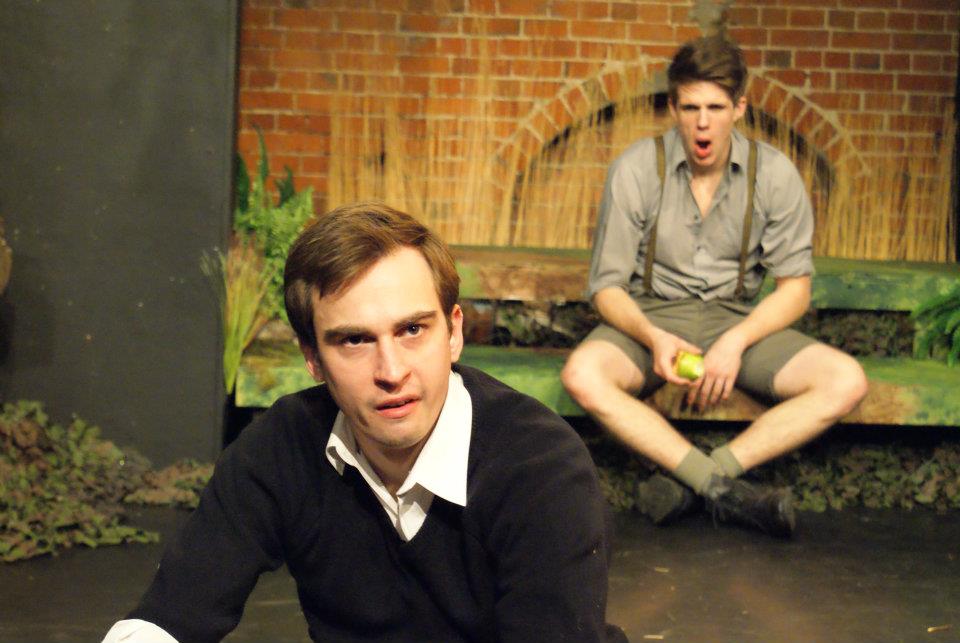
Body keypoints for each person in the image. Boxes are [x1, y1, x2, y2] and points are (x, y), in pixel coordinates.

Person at [103, 202, 625, 642]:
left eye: (413, 330)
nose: (391, 372)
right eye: (354, 340)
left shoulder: (539, 467)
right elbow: (168, 618)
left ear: (453, 333)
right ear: (312, 358)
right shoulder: (284, 446)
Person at [561, 36, 868, 538]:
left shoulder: (775, 175)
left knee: (845, 380)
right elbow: (607, 288)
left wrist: (736, 341)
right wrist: (653, 337)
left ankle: (700, 480)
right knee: (582, 374)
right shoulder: (636, 169)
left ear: (740, 108)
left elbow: (795, 289)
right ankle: (723, 491)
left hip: (737, 320)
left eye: (716, 108)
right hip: (653, 318)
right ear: (674, 108)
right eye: (690, 108)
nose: (702, 123)